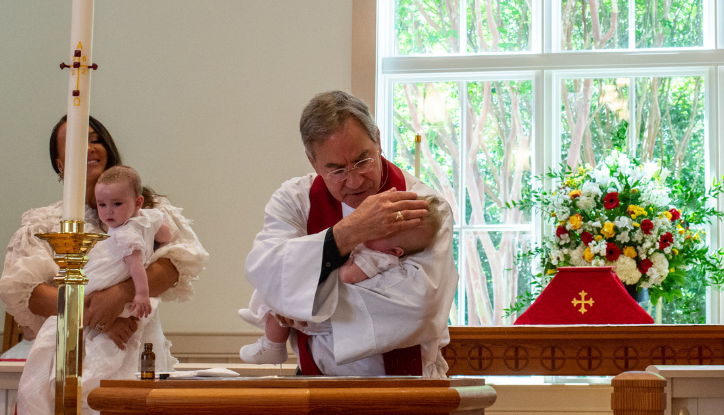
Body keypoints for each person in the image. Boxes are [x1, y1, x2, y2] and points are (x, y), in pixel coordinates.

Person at [0, 115, 209, 414]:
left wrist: (120, 294)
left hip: (136, 343)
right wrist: (99, 315)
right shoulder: (43, 223)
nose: (88, 148)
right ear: (60, 164)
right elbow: (29, 292)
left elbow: (176, 263)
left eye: (95, 139)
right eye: (75, 143)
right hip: (73, 350)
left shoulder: (147, 210)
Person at [244, 90, 457, 378]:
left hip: (408, 386)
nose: (354, 180)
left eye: (362, 160)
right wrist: (348, 232)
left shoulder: (423, 208)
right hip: (315, 388)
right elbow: (269, 274)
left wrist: (306, 315)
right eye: (337, 170)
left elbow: (419, 307)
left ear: (378, 141)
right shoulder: (294, 201)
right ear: (313, 162)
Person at [238, 195, 446, 368]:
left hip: (333, 315)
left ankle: (272, 343)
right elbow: (268, 265)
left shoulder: (377, 257)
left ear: (395, 251)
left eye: (384, 231)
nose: (376, 228)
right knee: (279, 282)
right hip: (322, 342)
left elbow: (347, 276)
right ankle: (264, 320)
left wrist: (322, 265)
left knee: (286, 296)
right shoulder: (296, 194)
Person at [94, 165, 173, 318]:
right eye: (102, 204)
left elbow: (135, 265)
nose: (108, 210)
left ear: (138, 202)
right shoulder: (149, 217)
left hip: (112, 274)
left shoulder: (126, 234)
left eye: (117, 204)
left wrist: (142, 294)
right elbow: (166, 236)